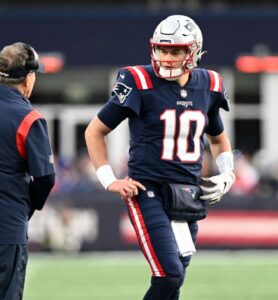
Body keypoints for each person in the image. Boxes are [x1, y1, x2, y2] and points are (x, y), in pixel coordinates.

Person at [85, 15, 235, 300]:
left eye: (176, 50)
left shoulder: (210, 84)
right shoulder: (138, 80)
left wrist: (228, 173)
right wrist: (109, 180)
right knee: (169, 274)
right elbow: (95, 131)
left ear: (194, 51)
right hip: (148, 190)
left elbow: (218, 138)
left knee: (175, 282)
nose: (167, 57)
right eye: (162, 49)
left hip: (188, 194)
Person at [0, 42, 55, 300]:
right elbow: (45, 179)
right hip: (7, 228)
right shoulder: (28, 118)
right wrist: (24, 207)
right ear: (28, 78)